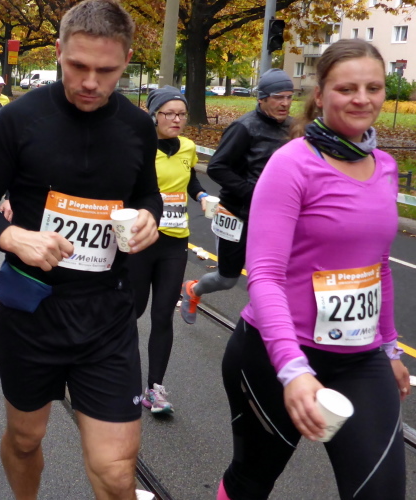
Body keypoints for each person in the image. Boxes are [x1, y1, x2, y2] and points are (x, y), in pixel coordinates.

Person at [0, 1, 160, 497]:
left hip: (107, 316)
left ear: (127, 60)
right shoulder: (19, 119)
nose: (90, 82)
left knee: (116, 470)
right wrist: (13, 237)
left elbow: (147, 194)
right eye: (78, 66)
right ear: (58, 52)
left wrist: (149, 218)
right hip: (32, 313)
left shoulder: (137, 126)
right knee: (26, 440)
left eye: (106, 70)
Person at [217, 39, 409, 500]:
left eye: (373, 88)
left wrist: (390, 348)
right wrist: (293, 368)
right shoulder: (291, 164)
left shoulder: (385, 166)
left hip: (361, 359)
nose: (362, 99)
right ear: (320, 95)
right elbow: (264, 274)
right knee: (251, 482)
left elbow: (378, 266)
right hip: (276, 353)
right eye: (347, 88)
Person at [180, 68, 294, 324]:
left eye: (289, 97)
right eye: (278, 97)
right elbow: (216, 167)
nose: (285, 103)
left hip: (273, 219)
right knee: (227, 279)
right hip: (236, 214)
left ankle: (264, 328)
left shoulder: (294, 128)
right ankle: (193, 290)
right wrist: (254, 193)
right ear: (262, 98)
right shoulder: (244, 127)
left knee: (268, 279)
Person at [128, 86, 209, 415]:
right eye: (169, 114)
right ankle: (122, 378)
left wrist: (202, 196)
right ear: (154, 115)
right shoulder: (140, 147)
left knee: (163, 315)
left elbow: (191, 181)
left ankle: (154, 389)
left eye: (181, 114)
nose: (176, 120)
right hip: (142, 241)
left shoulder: (188, 147)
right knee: (132, 312)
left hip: (175, 242)